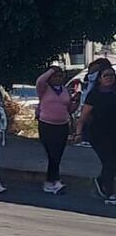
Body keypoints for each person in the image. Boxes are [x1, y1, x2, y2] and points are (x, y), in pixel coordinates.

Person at [74, 65, 116, 204]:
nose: (109, 78)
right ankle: (109, 193)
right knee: (110, 162)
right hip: (98, 134)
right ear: (99, 79)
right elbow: (83, 117)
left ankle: (101, 182)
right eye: (106, 75)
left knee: (111, 163)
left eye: (112, 75)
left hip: (113, 133)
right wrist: (78, 133)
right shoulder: (94, 95)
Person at [36, 66, 72, 194]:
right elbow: (39, 81)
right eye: (55, 76)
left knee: (58, 153)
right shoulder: (44, 88)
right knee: (52, 153)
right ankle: (53, 180)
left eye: (60, 76)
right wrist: (51, 70)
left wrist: (76, 103)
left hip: (62, 125)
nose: (58, 79)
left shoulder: (65, 90)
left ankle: (53, 180)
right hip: (47, 124)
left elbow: (69, 108)